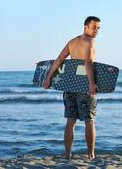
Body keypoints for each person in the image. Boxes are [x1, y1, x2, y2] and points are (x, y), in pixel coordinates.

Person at [43, 16, 101, 160]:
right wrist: (92, 84)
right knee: (89, 121)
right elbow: (88, 64)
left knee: (71, 121)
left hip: (70, 87)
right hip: (85, 87)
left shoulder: (72, 42)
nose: (97, 31)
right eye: (94, 27)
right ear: (86, 27)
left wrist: (48, 77)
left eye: (99, 28)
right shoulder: (91, 43)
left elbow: (59, 60)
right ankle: (91, 155)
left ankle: (68, 154)